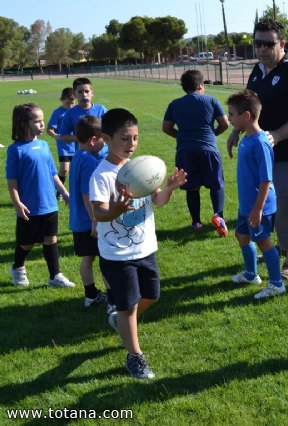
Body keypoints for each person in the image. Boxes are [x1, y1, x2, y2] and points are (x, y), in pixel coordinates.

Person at [90, 108, 186, 380]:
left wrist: (169, 188)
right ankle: (135, 357)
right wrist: (115, 211)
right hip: (117, 254)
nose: (131, 144)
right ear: (107, 138)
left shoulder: (141, 167)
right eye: (124, 139)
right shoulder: (102, 175)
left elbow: (157, 201)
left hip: (145, 249)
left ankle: (119, 319)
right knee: (129, 305)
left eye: (135, 138)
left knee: (151, 296)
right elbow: (98, 212)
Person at [226, 19, 288, 282]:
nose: (262, 49)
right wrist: (235, 130)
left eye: (269, 43)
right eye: (258, 43)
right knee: (266, 204)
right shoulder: (257, 70)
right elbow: (248, 107)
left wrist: (276, 135)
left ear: (282, 44)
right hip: (264, 152)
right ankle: (277, 246)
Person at [6, 103, 75, 288]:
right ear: (23, 124)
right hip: (30, 205)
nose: (42, 124)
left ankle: (55, 276)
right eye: (37, 121)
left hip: (49, 203)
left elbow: (53, 173)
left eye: (43, 120)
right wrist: (17, 203)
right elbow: (11, 181)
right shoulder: (15, 150)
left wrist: (65, 193)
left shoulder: (44, 145)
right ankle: (17, 267)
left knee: (50, 239)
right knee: (26, 243)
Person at [226, 90, 285, 299]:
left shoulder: (260, 143)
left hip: (259, 207)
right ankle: (251, 274)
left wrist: (258, 209)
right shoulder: (246, 138)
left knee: (263, 242)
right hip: (247, 205)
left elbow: (266, 179)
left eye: (232, 114)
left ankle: (277, 283)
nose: (229, 118)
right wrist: (233, 135)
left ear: (247, 115)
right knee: (241, 236)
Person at [163, 69, 229, 234]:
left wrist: (181, 136)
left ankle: (196, 222)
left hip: (185, 150)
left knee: (191, 187)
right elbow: (225, 123)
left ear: (183, 87)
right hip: (208, 149)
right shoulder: (212, 100)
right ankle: (218, 216)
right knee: (216, 184)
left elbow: (166, 128)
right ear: (201, 85)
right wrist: (212, 134)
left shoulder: (175, 104)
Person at [69, 115, 112, 310]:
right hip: (90, 221)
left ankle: (91, 295)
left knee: (88, 257)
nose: (104, 144)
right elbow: (88, 194)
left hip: (79, 221)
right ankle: (112, 296)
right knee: (105, 257)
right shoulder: (89, 161)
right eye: (103, 140)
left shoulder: (78, 156)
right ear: (93, 140)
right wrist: (95, 220)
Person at [46, 87, 76, 200]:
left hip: (77, 146)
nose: (70, 105)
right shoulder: (57, 113)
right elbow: (49, 129)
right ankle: (59, 191)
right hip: (64, 147)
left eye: (72, 103)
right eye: (68, 103)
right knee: (64, 170)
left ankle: (75, 193)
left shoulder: (76, 111)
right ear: (61, 99)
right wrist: (57, 136)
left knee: (76, 171)